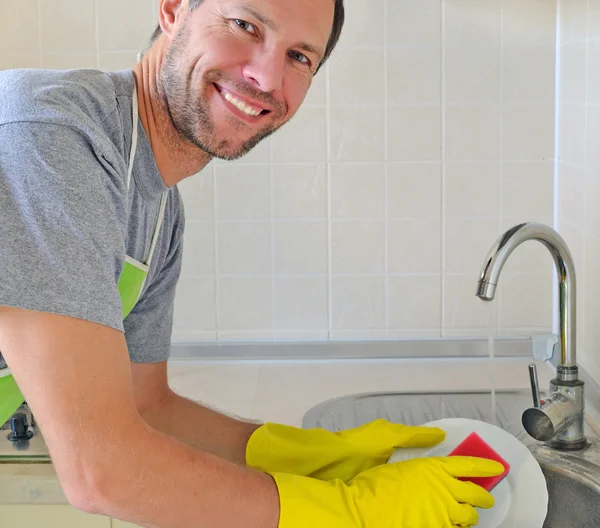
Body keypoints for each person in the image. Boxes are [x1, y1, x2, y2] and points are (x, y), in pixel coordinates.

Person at [0, 0, 503, 526]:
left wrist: (303, 452)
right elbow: (99, 469)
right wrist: (348, 511)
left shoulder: (158, 209)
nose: (266, 76)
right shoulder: (47, 137)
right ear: (173, 9)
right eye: (245, 25)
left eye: (300, 57)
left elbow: (147, 404)